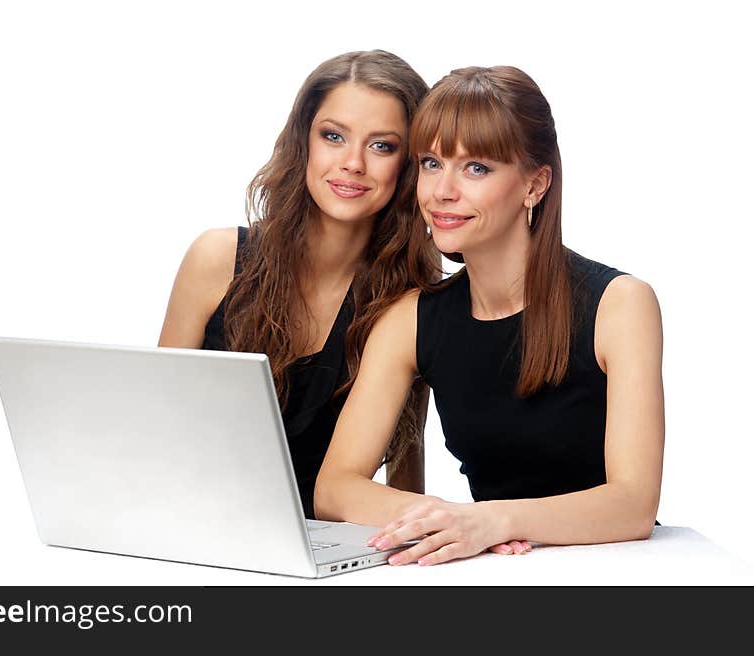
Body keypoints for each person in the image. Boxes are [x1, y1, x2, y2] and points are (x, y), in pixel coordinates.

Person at [314, 66, 665, 564]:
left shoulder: (620, 304)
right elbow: (334, 489)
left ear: (535, 185)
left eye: (476, 168)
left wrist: (494, 519)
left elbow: (632, 505)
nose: (442, 191)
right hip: (494, 570)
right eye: (432, 163)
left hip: (617, 571)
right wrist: (447, 518)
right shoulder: (411, 318)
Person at [157, 50, 442, 518]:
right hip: (190, 522)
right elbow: (153, 423)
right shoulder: (216, 258)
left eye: (382, 146)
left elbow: (404, 469)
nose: (352, 163)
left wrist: (450, 528)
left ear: (409, 165)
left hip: (315, 544)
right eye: (333, 136)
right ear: (303, 141)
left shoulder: (409, 305)